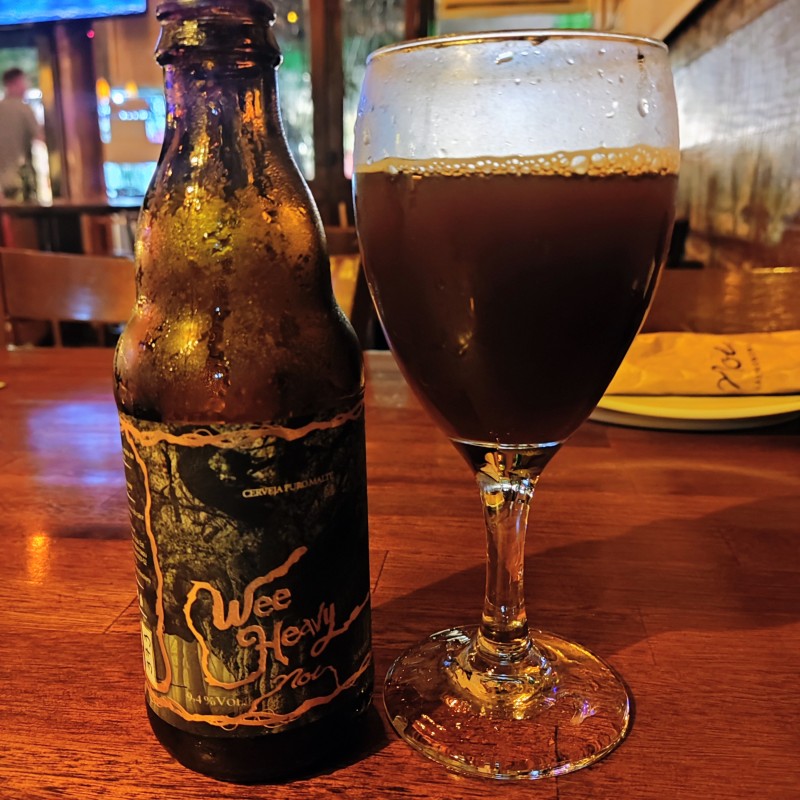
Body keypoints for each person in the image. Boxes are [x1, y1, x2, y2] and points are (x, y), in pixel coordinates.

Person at [0, 67, 41, 201]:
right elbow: (40, 137)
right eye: (23, 82)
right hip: (19, 178)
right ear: (13, 84)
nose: (26, 87)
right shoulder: (24, 109)